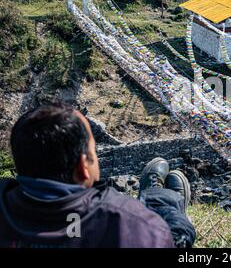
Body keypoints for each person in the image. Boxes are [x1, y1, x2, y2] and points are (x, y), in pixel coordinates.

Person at [0, 103, 195, 248]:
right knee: (177, 232)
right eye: (94, 152)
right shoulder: (133, 224)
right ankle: (161, 198)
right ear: (83, 166)